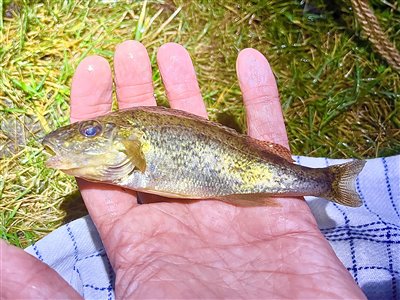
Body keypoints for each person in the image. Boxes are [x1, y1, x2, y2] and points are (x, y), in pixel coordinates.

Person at [1, 41, 366, 299]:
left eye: (90, 131)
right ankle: (325, 182)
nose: (83, 134)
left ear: (129, 144)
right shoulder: (125, 162)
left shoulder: (135, 147)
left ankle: (326, 182)